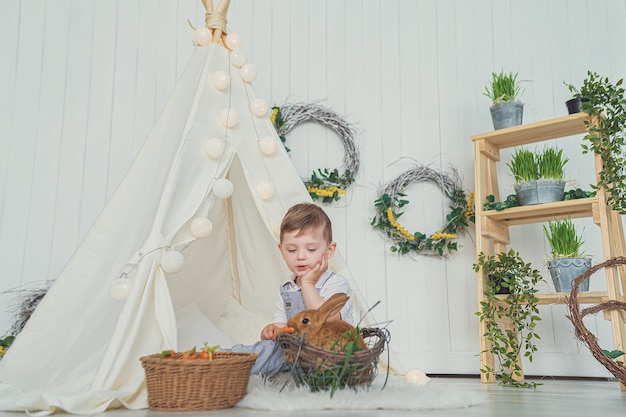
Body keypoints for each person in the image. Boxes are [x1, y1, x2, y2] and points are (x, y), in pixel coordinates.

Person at [229, 202, 355, 376]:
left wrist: (308, 284)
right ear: (281, 251)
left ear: (329, 250)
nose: (301, 256)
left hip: (329, 354)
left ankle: (234, 364)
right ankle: (226, 359)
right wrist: (273, 330)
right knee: (265, 349)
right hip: (295, 352)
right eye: (292, 250)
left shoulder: (336, 283)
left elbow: (328, 318)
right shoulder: (287, 288)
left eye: (311, 249)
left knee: (270, 355)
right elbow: (283, 328)